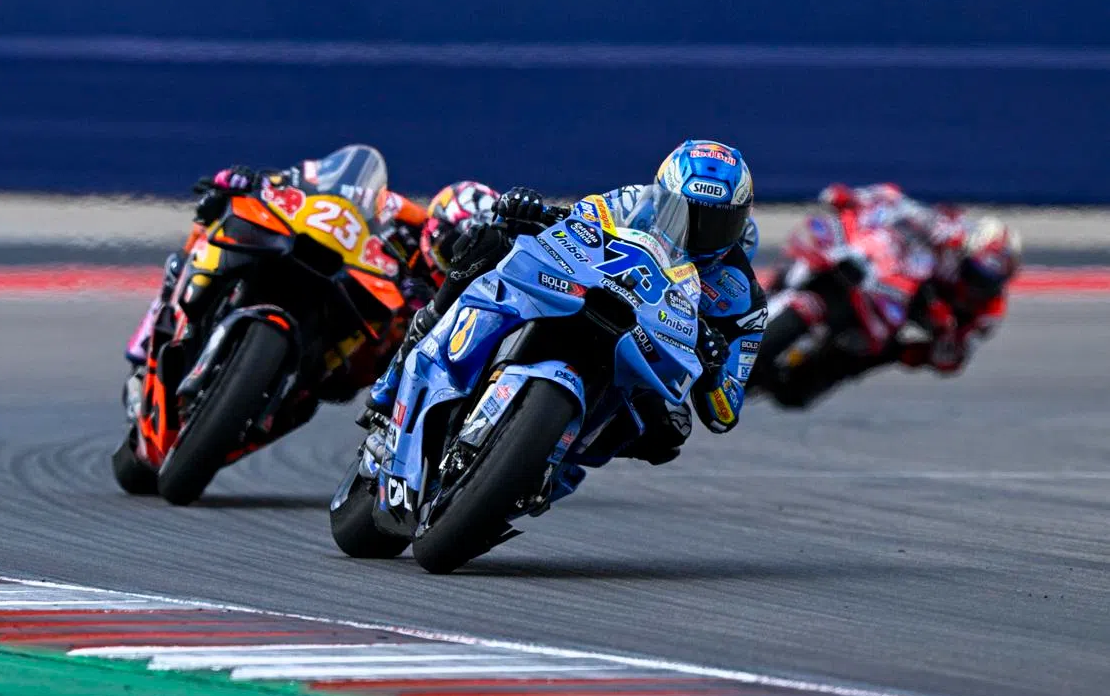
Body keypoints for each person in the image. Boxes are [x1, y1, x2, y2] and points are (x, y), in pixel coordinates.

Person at [362, 139, 767, 466]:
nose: (699, 233)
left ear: (741, 220)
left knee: (671, 429)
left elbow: (725, 413)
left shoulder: (742, 298)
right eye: (686, 213)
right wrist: (532, 211)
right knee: (488, 243)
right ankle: (410, 357)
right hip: (587, 294)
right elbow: (578, 220)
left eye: (718, 223)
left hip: (645, 354)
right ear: (663, 197)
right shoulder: (633, 203)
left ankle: (551, 465)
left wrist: (714, 372)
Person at [121, 144, 499, 419]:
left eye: (466, 252)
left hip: (354, 347)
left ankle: (282, 399)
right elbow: (312, 187)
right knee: (214, 217)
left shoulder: (455, 289)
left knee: (343, 386)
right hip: (334, 276)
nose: (454, 255)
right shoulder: (399, 213)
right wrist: (262, 183)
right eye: (452, 243)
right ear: (437, 222)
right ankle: (167, 312)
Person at [815, 182, 1022, 376]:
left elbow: (955, 349)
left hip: (921, 312)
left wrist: (946, 330)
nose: (979, 284)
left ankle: (864, 359)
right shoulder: (950, 234)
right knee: (875, 219)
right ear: (968, 252)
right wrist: (854, 198)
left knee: (949, 362)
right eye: (975, 272)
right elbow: (899, 204)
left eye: (990, 281)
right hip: (902, 275)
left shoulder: (990, 311)